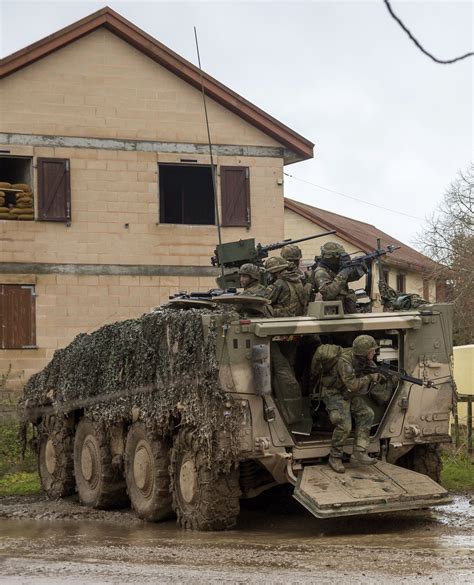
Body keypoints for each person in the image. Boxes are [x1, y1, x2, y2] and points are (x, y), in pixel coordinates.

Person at [321, 335, 383, 474]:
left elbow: (373, 371)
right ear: (364, 352)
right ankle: (335, 457)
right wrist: (369, 378)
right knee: (344, 425)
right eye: (372, 351)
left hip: (347, 393)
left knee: (367, 414)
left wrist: (380, 375)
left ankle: (360, 450)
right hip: (334, 393)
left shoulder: (364, 360)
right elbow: (352, 385)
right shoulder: (345, 361)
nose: (374, 353)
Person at [263, 256, 308, 433]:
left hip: (278, 330)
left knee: (279, 371)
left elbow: (265, 302)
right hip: (295, 331)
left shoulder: (279, 284)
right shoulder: (299, 281)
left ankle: (282, 408)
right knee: (289, 367)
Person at [312, 242, 363, 314]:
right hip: (330, 315)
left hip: (343, 311)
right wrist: (344, 272)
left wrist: (361, 267)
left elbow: (351, 277)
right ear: (331, 258)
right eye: (339, 257)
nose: (340, 259)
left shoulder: (334, 269)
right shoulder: (321, 272)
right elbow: (328, 293)